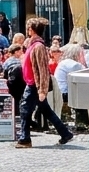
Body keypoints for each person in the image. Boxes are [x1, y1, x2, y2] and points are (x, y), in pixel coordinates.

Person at [16, 17, 74, 148]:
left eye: (29, 28)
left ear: (32, 30)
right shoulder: (32, 44)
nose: (27, 30)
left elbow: (42, 69)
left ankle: (25, 138)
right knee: (46, 111)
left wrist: (42, 89)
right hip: (32, 83)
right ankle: (65, 133)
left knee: (25, 110)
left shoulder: (38, 46)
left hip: (34, 85)